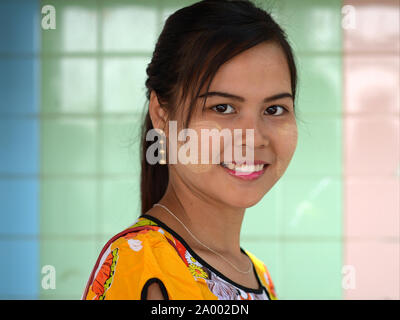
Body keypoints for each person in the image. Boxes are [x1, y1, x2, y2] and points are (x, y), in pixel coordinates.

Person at [82, 0, 298, 300]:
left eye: (274, 109)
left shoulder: (259, 275)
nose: (254, 137)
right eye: (222, 107)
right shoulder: (142, 265)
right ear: (161, 114)